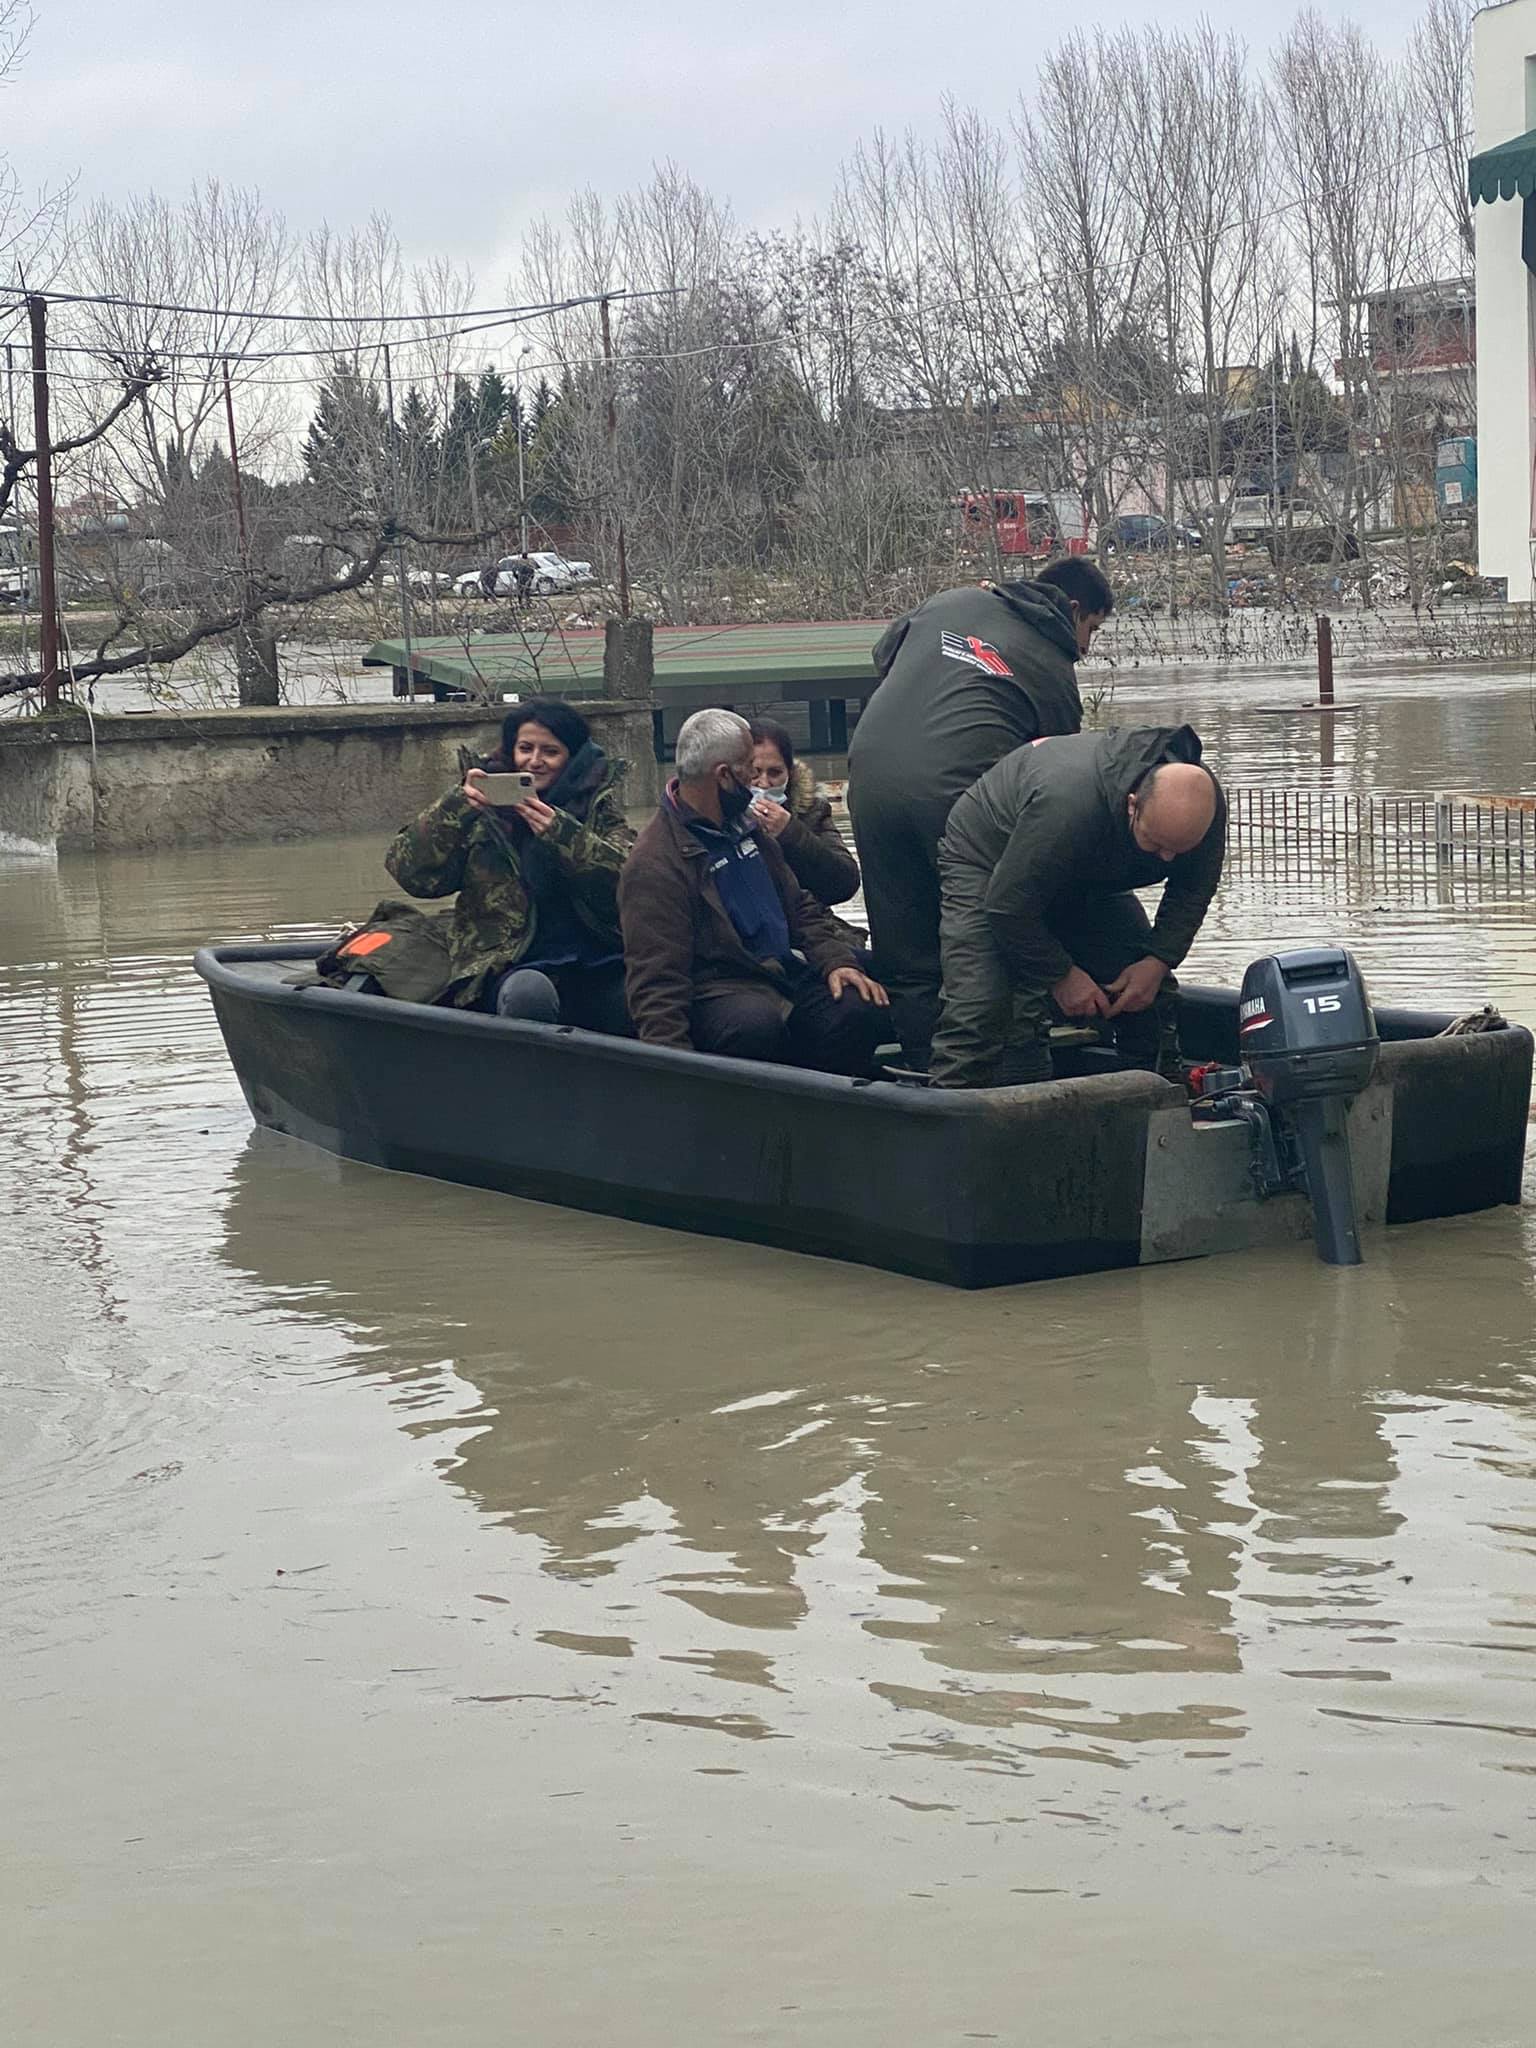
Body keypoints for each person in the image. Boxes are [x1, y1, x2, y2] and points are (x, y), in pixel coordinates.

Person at [846, 555, 1113, 1069]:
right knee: (998, 941)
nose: (1086, 647)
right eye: (1092, 630)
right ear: (1073, 609)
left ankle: (927, 1085)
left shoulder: (951, 601)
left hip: (870, 781)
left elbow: (884, 659)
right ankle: (1017, 1087)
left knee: (909, 957)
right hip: (959, 801)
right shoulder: (1054, 666)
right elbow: (1057, 781)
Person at [928, 725, 1226, 1090]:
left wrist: (1158, 960)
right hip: (989, 857)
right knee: (980, 1006)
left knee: (1147, 991)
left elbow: (1193, 890)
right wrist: (1061, 975)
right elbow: (1008, 908)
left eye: (1179, 850)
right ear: (1133, 804)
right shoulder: (1067, 805)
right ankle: (951, 1110)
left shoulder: (1203, 805)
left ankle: (1157, 1099)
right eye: (1156, 842)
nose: (1166, 858)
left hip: (1090, 871)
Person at [619, 708, 889, 1074]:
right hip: (718, 988)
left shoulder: (746, 825)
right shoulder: (655, 863)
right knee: (755, 1023)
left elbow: (798, 906)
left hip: (779, 970)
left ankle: (829, 1106)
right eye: (749, 767)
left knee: (858, 1002)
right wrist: (671, 1074)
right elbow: (656, 982)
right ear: (725, 776)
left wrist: (836, 960)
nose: (757, 779)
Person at [385, 697, 634, 1031]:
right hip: (506, 963)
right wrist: (455, 805)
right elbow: (411, 873)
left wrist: (563, 835)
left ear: (573, 758)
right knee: (529, 994)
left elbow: (633, 882)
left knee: (644, 997)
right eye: (525, 748)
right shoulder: (479, 813)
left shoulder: (598, 809)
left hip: (595, 957)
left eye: (550, 751)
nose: (535, 761)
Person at [746, 717, 862, 930]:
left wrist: (791, 833)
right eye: (754, 773)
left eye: (775, 773)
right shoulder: (720, 815)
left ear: (789, 773)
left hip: (812, 928)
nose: (763, 783)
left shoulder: (812, 810)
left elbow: (845, 882)